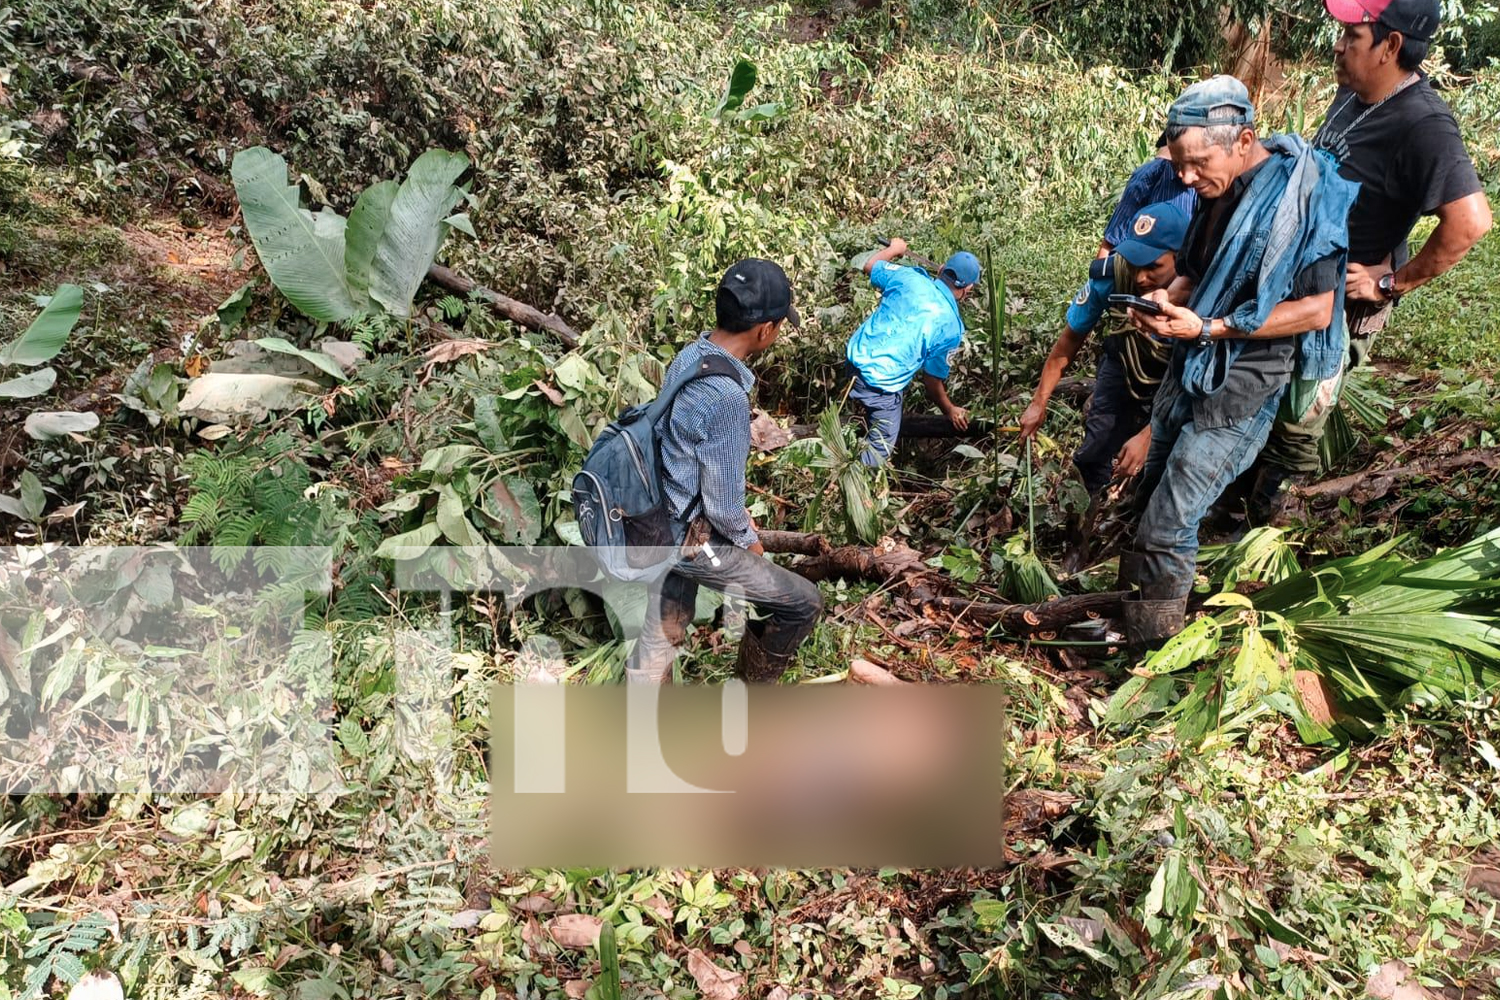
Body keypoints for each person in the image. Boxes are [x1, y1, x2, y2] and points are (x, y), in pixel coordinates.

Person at [1118, 76, 1358, 646]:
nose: (1185, 177)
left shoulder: (1301, 196)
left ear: (1243, 139)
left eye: (1197, 163)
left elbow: (1317, 310)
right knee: (1151, 497)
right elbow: (1196, 272)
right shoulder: (1212, 193)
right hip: (1190, 370)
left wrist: (1209, 326)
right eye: (1179, 164)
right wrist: (1166, 298)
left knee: (1170, 521)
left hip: (1243, 386)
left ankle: (1151, 657)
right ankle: (1126, 616)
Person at [1238, 0, 1493, 522]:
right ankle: (1235, 493)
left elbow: (1470, 221)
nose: (1337, 44)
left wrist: (1390, 282)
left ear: (1390, 46)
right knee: (1261, 389)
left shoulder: (1423, 125)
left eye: (1352, 35)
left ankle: (1258, 528)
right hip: (1297, 281)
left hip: (1343, 305)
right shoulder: (1354, 91)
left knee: (1298, 418)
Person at [628, 259, 824, 684]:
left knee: (665, 627)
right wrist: (754, 548)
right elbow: (723, 506)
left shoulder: (691, 355)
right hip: (685, 536)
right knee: (801, 602)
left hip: (655, 514)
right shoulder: (727, 396)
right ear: (764, 330)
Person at [1020, 201, 1191, 498]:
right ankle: (1088, 508)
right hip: (1124, 364)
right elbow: (1069, 341)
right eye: (1135, 262)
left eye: (1153, 267)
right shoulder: (1112, 277)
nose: (1140, 277)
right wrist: (1039, 402)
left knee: (1166, 460)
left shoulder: (1206, 290)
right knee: (1098, 446)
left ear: (1182, 257)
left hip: (1180, 378)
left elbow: (1198, 382)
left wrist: (1150, 435)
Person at [844, 239, 981, 465]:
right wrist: (949, 409)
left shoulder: (909, 277)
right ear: (967, 289)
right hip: (881, 385)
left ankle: (858, 421)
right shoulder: (951, 327)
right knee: (880, 450)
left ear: (942, 269)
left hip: (854, 361)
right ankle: (849, 480)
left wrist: (894, 250)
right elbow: (932, 382)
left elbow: (870, 266)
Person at [1098, 134, 1198, 259]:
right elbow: (1111, 241)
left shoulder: (1213, 186)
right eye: (1177, 164)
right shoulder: (1151, 174)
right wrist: (1100, 274)